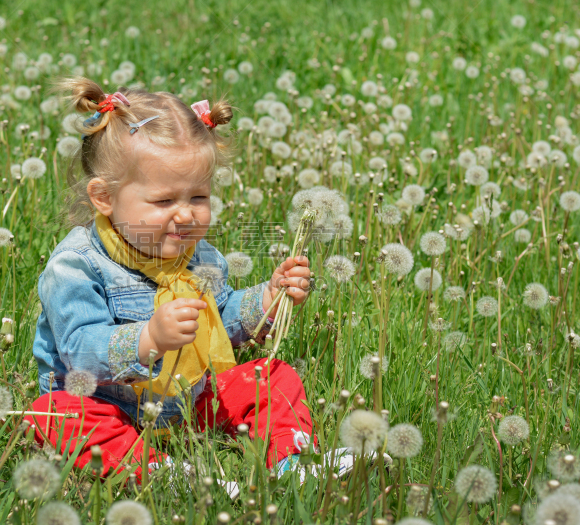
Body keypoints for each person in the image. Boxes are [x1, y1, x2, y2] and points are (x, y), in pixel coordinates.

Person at [24, 78, 350, 496]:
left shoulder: (199, 255)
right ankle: (165, 473)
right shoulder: (75, 266)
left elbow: (222, 316)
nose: (185, 216)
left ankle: (293, 461)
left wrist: (267, 301)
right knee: (52, 415)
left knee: (272, 376)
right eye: (164, 202)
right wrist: (147, 339)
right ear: (104, 197)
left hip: (188, 399)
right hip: (109, 406)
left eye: (198, 197)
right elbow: (79, 350)